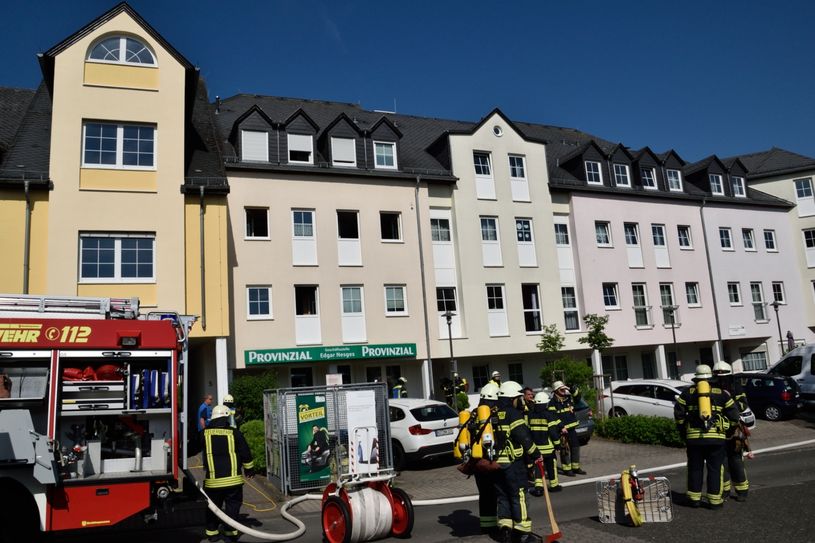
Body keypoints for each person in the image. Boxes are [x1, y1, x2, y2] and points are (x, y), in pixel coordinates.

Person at [674, 364, 740, 509]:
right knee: (715, 469)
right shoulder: (721, 393)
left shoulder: (687, 393)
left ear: (696, 379)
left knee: (695, 468)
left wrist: (683, 431)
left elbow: (678, 414)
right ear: (711, 377)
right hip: (716, 440)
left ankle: (693, 499)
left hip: (694, 440)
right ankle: (715, 502)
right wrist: (727, 429)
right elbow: (735, 416)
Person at [494, 381, 542, 543]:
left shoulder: (494, 412)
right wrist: (536, 454)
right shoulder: (513, 413)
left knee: (503, 495)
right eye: (518, 396)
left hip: (495, 463)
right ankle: (523, 534)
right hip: (512, 462)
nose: (521, 399)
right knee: (519, 495)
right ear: (512, 397)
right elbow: (523, 437)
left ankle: (505, 531)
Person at [201, 404, 254, 542]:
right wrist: (249, 470)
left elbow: (190, 448)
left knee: (213, 508)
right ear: (226, 417)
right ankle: (230, 534)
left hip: (213, 483)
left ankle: (212, 534)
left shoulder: (204, 433)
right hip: (233, 482)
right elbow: (245, 452)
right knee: (232, 508)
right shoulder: (234, 433)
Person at [712, 361, 750, 501]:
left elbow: (743, 404)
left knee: (735, 461)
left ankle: (742, 491)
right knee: (721, 462)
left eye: (724, 377)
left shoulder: (736, 386)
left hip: (733, 429)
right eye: (718, 377)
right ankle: (725, 490)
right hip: (716, 429)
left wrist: (729, 402)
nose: (721, 380)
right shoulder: (710, 387)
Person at [473, 382, 500, 536]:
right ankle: (495, 528)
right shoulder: (491, 414)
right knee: (494, 494)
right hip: (489, 460)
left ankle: (486, 525)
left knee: (484, 494)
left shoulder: (474, 413)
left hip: (476, 461)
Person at [529, 391, 562, 495]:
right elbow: (553, 433)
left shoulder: (531, 415)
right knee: (551, 467)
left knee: (538, 467)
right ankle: (554, 485)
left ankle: (538, 488)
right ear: (545, 403)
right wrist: (557, 444)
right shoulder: (549, 415)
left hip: (536, 449)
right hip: (548, 449)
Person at [548, 381, 584, 476]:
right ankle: (567, 469)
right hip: (562, 431)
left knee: (575, 447)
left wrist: (570, 388)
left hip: (572, 429)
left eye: (564, 388)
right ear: (556, 390)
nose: (564, 390)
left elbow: (578, 396)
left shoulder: (568, 398)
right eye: (561, 388)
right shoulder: (552, 403)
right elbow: (553, 417)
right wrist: (561, 427)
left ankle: (575, 467)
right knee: (565, 450)